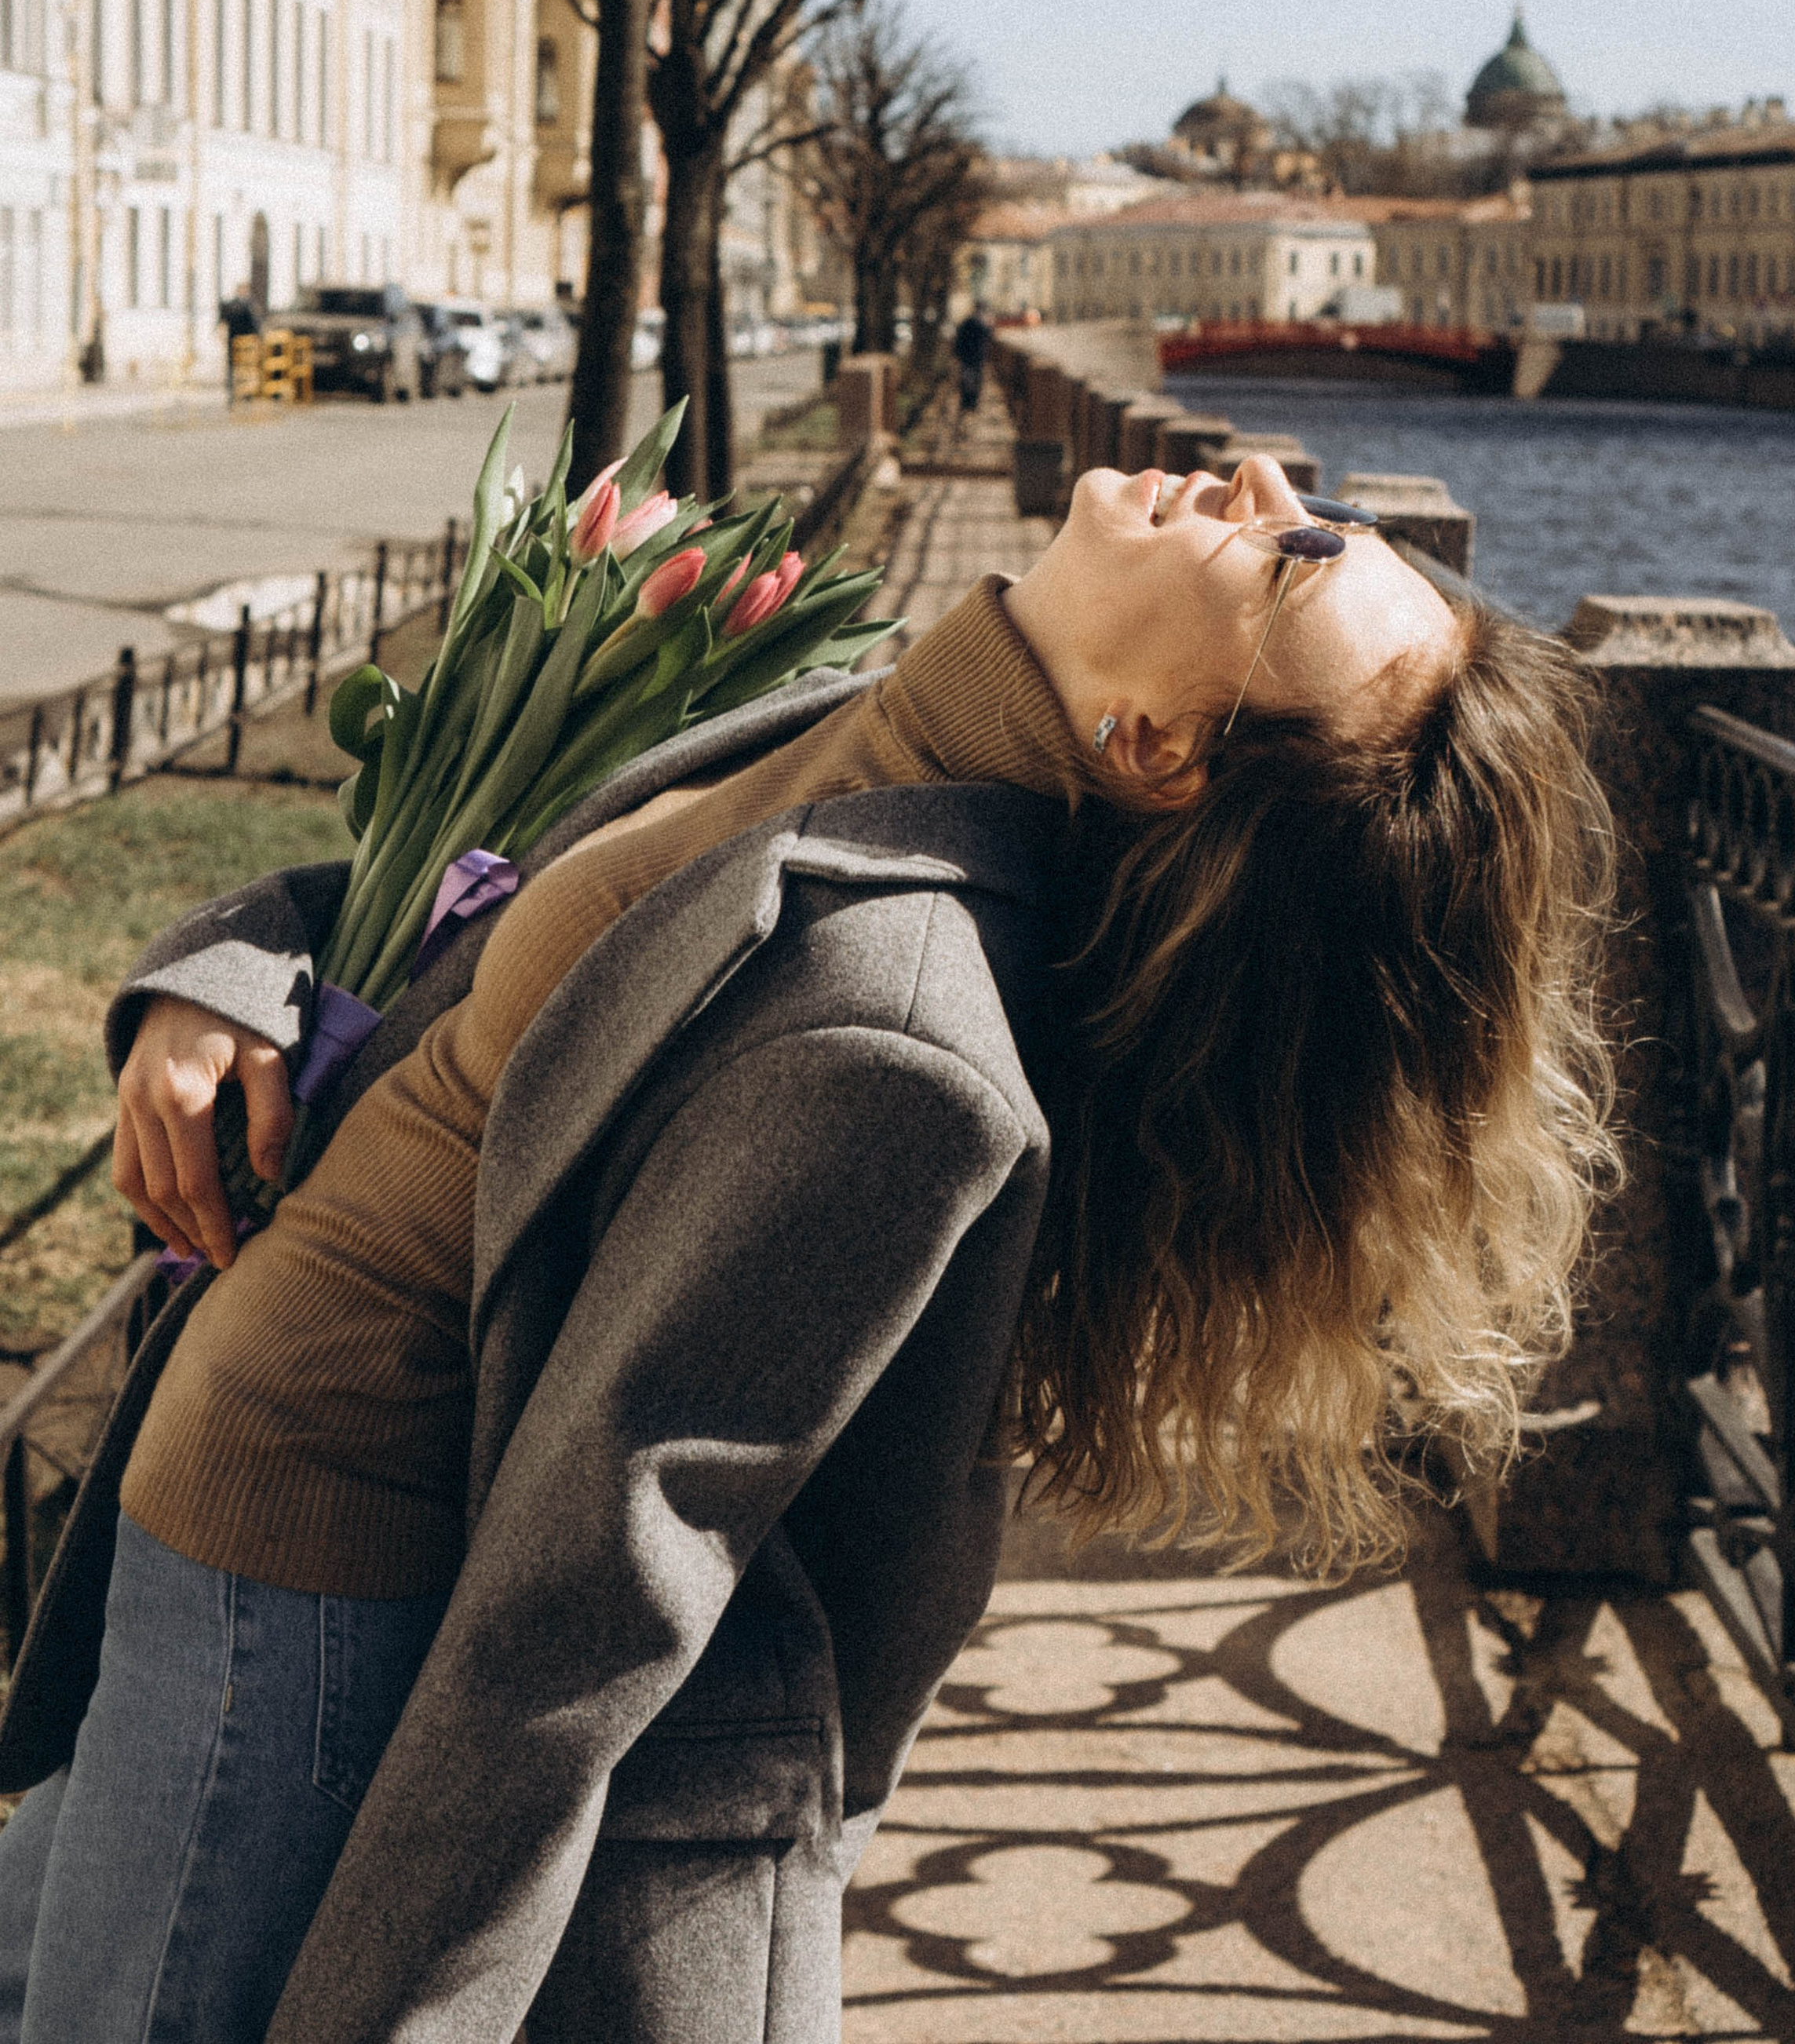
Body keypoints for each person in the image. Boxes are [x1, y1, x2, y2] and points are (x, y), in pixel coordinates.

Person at [0, 455, 1615, 2044]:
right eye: (1325, 515)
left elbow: (582, 1620)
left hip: (292, 1603)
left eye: (1291, 556)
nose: (1257, 476)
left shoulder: (893, 1031)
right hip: (204, 1516)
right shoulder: (862, 724)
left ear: (1152, 743)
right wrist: (223, 977)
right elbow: (465, 920)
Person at [952, 300, 991, 414]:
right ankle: (972, 403)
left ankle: (966, 402)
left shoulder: (965, 322)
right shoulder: (981, 323)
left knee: (966, 378)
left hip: (966, 356)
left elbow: (958, 339)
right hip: (977, 357)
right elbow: (988, 335)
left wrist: (957, 354)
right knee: (976, 379)